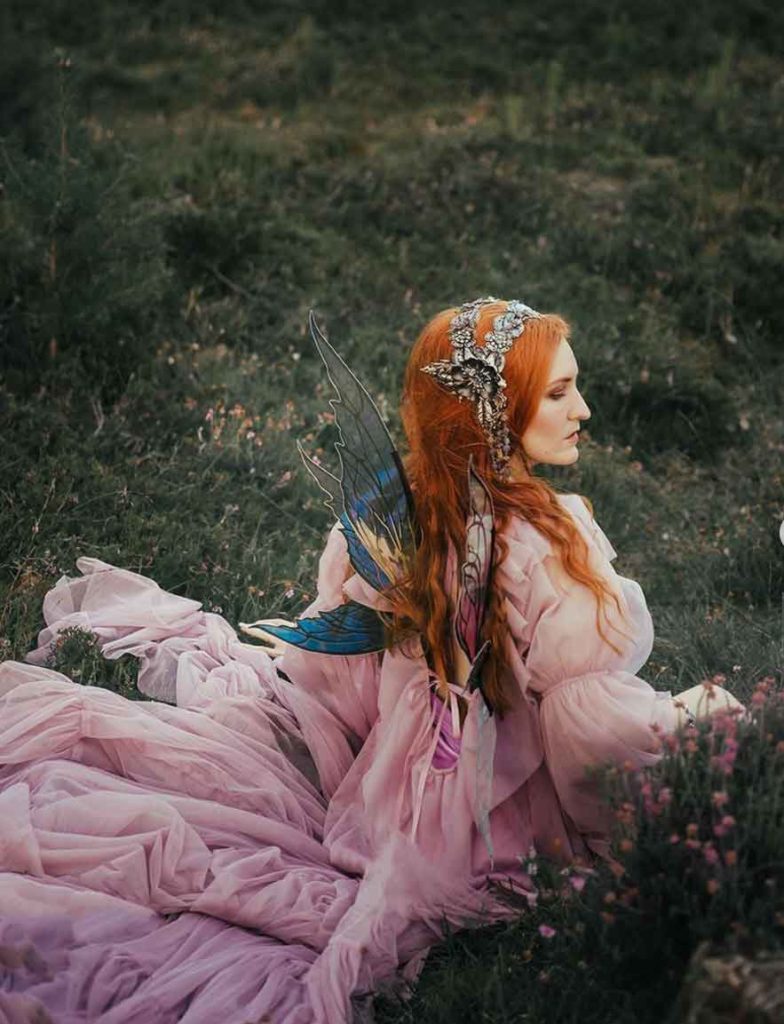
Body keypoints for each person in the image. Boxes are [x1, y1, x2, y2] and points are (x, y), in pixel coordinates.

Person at [0, 298, 744, 1024]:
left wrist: (392, 747)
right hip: (493, 821)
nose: (582, 409)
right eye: (558, 392)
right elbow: (587, 739)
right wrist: (650, 793)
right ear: (493, 410)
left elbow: (339, 682)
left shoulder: (396, 516)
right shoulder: (550, 540)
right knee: (714, 725)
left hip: (389, 793)